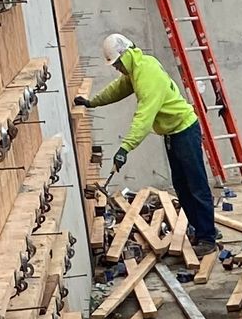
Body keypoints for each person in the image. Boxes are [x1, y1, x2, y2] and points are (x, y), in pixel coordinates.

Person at [76, 34, 218, 254]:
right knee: (181, 186)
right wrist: (92, 102)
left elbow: (143, 119)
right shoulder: (137, 68)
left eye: (117, 64)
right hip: (173, 133)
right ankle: (200, 231)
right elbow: (118, 89)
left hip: (184, 130)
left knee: (196, 185)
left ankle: (208, 237)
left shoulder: (147, 74)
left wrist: (125, 148)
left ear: (126, 55)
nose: (117, 69)